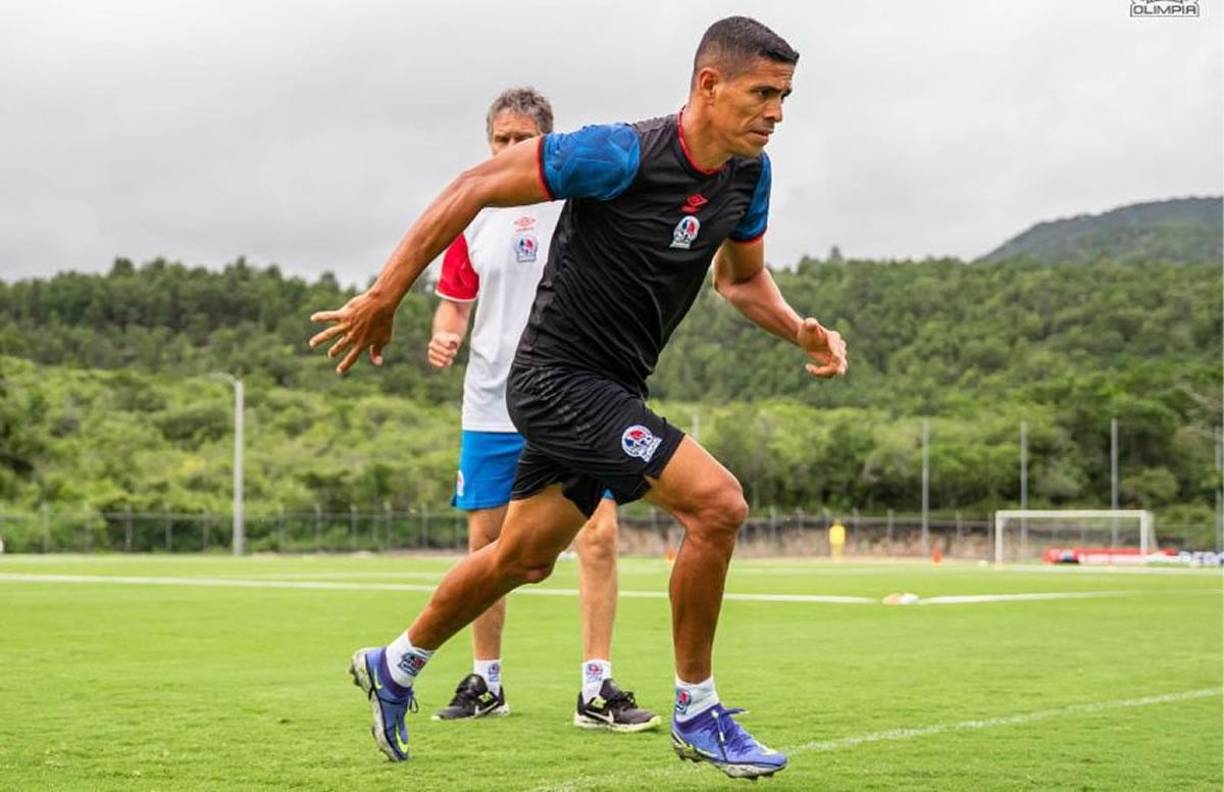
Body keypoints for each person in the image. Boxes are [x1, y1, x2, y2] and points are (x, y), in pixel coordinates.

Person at [310, 16, 847, 779]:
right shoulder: (620, 152)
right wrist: (386, 295)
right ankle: (697, 710)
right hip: (556, 380)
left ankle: (395, 663)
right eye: (763, 93)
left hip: (610, 388)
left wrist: (801, 333)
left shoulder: (748, 177)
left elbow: (740, 279)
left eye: (786, 96)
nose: (777, 112)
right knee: (718, 505)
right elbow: (472, 187)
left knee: (522, 558)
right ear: (709, 85)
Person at [426, 86, 657, 732]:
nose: (508, 150)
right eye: (499, 140)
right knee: (486, 545)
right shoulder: (473, 214)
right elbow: (455, 301)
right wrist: (445, 330)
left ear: (546, 144)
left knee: (601, 534)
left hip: (572, 394)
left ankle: (596, 685)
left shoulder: (576, 207)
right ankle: (486, 681)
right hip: (490, 402)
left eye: (522, 140)